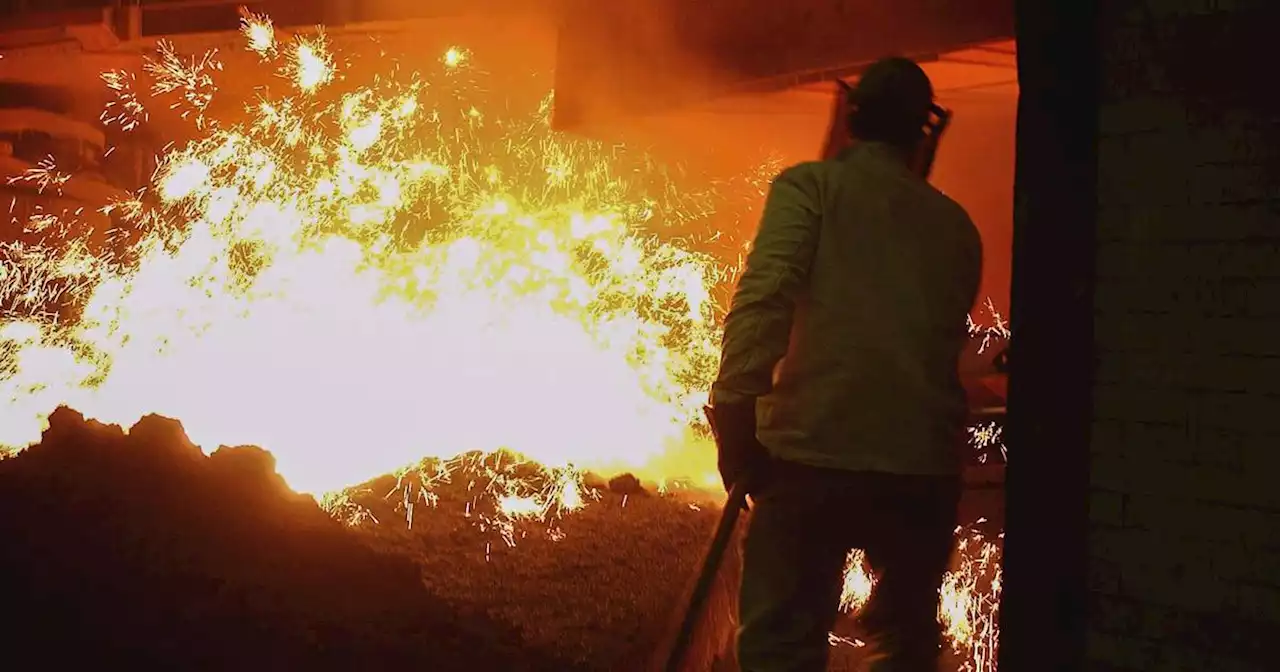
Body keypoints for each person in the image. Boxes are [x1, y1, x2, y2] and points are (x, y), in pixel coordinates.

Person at [707, 56, 984, 671]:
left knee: (783, 644)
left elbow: (766, 295)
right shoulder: (957, 227)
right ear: (925, 129)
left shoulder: (810, 189)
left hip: (814, 457)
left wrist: (734, 411)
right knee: (905, 646)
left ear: (853, 118)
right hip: (922, 469)